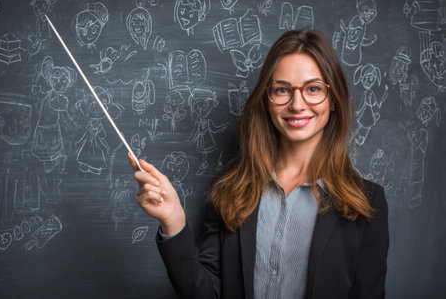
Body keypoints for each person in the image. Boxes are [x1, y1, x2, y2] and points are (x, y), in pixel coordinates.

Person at [129, 29, 389, 299]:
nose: (297, 104)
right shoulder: (230, 190)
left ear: (333, 100)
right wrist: (174, 222)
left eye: (313, 89)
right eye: (282, 90)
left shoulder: (367, 204)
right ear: (267, 100)